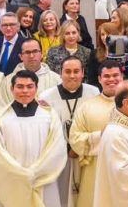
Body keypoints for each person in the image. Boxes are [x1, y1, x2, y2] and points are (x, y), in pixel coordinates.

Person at [0, 70, 67, 206]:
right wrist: (20, 174)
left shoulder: (50, 116)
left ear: (36, 88)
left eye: (29, 86)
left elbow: (56, 149)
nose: (25, 91)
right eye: (20, 86)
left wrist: (36, 173)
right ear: (12, 89)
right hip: (11, 180)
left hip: (42, 180)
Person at [39, 57, 101, 207]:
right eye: (67, 71)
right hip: (60, 156)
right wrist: (69, 148)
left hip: (87, 154)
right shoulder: (47, 96)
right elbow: (46, 129)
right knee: (63, 196)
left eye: (76, 71)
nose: (72, 75)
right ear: (60, 73)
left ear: (83, 73)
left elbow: (96, 122)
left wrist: (79, 147)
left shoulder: (93, 92)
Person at [68, 60, 123, 207]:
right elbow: (74, 138)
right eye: (107, 76)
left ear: (122, 76)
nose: (111, 79)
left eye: (115, 75)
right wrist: (100, 136)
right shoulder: (87, 107)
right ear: (99, 79)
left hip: (126, 171)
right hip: (95, 171)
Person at [0, 38, 61, 105]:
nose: (31, 56)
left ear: (42, 54)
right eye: (27, 52)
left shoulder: (56, 79)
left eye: (35, 51)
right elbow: (4, 108)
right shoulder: (8, 81)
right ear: (21, 56)